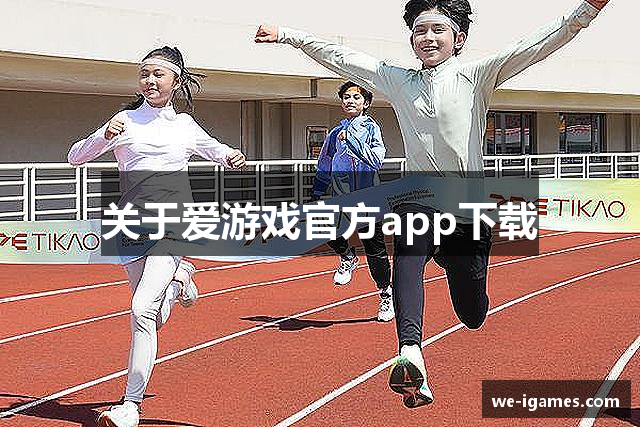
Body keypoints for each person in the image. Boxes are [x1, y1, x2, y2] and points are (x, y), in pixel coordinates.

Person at [255, 0, 609, 407]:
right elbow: (343, 58)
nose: (427, 37)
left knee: (472, 314)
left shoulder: (477, 76)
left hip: (466, 208)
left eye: (438, 29)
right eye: (420, 30)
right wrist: (289, 36)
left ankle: (457, 273)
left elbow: (537, 45)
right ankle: (410, 352)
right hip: (419, 197)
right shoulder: (399, 81)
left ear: (458, 39)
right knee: (407, 251)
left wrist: (587, 10)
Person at [68, 46, 246, 427]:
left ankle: (130, 405)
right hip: (130, 226)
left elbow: (216, 150)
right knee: (152, 315)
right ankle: (180, 280)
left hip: (173, 224)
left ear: (175, 81)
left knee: (140, 310)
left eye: (158, 74)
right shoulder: (124, 121)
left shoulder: (184, 125)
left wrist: (231, 156)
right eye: (144, 74)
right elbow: (75, 157)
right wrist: (103, 135)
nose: (149, 80)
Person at [311, 81, 393, 322]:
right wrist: (317, 191)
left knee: (375, 251)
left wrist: (353, 141)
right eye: (346, 97)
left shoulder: (371, 129)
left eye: (356, 97)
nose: (350, 101)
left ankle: (385, 294)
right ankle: (347, 257)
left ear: (365, 103)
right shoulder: (335, 133)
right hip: (342, 196)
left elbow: (376, 160)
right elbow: (325, 163)